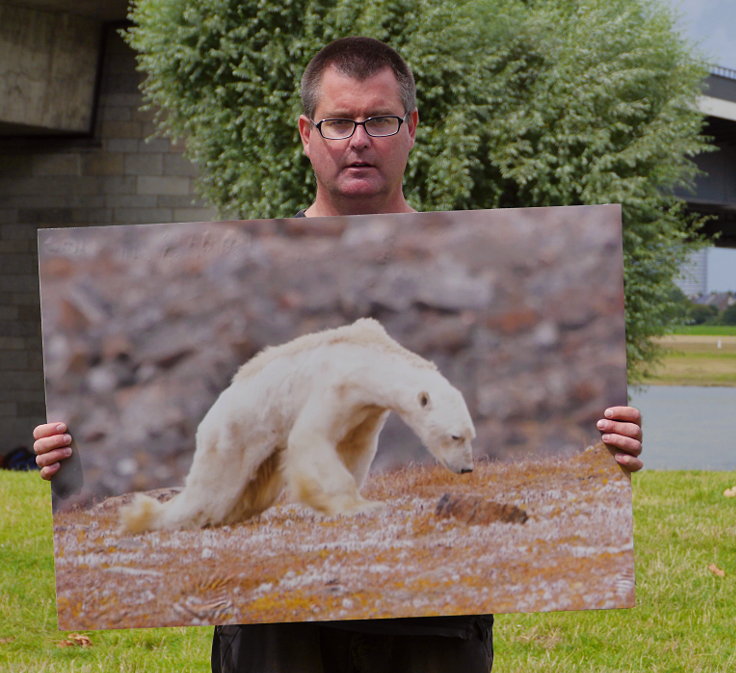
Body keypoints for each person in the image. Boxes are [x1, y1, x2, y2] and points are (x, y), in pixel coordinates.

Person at [33, 37, 644, 673]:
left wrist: (605, 454)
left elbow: (540, 422)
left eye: (379, 121)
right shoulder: (248, 263)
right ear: (306, 133)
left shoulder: (471, 266)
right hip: (274, 636)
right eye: (338, 122)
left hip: (433, 631)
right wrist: (70, 461)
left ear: (411, 129)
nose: (358, 139)